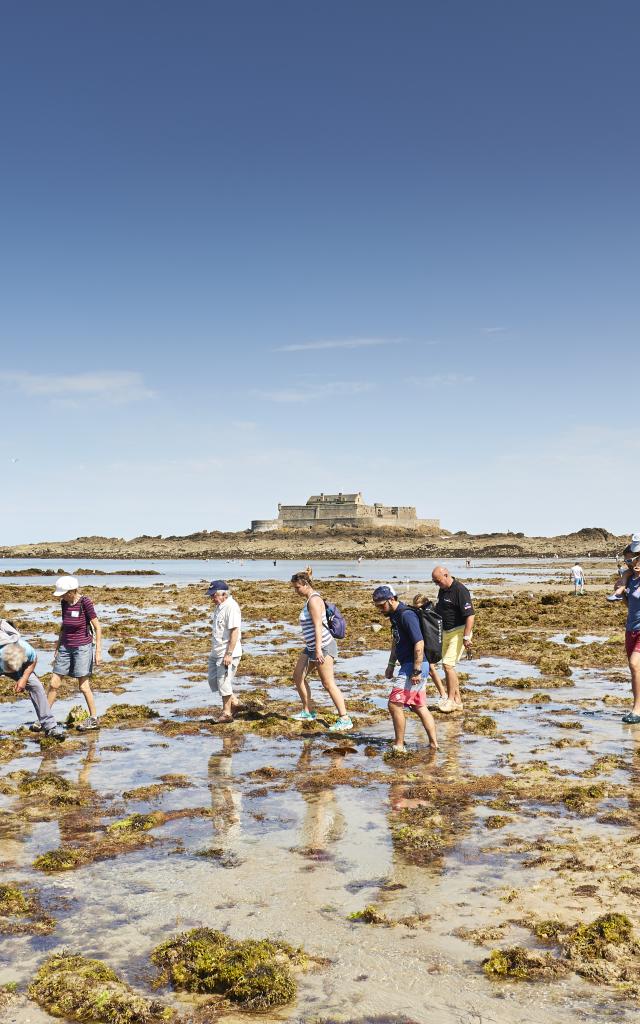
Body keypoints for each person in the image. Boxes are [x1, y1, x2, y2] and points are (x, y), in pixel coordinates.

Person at [372, 585, 438, 753]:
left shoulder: (407, 615)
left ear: (392, 599)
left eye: (381, 605)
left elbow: (419, 642)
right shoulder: (395, 616)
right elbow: (397, 641)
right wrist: (391, 664)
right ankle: (433, 744)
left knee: (394, 704)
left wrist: (416, 670)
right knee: (418, 706)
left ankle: (399, 744)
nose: (379, 609)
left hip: (413, 666)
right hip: (409, 665)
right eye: (376, 606)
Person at [290, 568, 352, 731]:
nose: (295, 591)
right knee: (298, 676)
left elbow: (318, 626)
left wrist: (318, 650)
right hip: (311, 647)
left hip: (323, 646)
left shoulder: (314, 601)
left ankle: (344, 718)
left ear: (305, 584)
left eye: (297, 587)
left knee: (328, 683)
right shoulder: (309, 598)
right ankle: (307, 711)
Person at [47, 576, 101, 731]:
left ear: (72, 591)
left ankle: (94, 719)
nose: (62, 596)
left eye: (64, 593)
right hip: (65, 646)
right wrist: (57, 646)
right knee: (53, 683)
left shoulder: (85, 602)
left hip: (82, 648)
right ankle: (44, 718)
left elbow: (98, 627)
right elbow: (64, 626)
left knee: (83, 686)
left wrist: (97, 651)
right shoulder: (64, 603)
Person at [0, 621, 65, 740]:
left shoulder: (23, 648)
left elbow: (33, 658)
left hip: (15, 660)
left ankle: (50, 727)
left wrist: (23, 678)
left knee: (36, 686)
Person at [431, 566, 475, 713]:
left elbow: (470, 615)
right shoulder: (442, 590)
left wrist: (466, 636)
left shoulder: (460, 590)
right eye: (435, 582)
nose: (437, 584)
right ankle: (458, 701)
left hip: (459, 631)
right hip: (446, 632)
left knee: (448, 665)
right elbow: (440, 609)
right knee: (447, 667)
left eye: (438, 581)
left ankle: (450, 701)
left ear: (446, 575)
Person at [207, 580, 243, 722]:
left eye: (213, 595)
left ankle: (227, 714)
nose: (212, 599)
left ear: (223, 594)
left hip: (227, 652)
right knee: (213, 681)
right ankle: (235, 703)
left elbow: (235, 631)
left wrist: (229, 654)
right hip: (216, 651)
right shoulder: (220, 606)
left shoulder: (231, 607)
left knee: (223, 682)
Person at [411, 593, 447, 700]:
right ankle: (421, 694)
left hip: (428, 645)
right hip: (422, 643)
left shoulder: (429, 614)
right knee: (429, 669)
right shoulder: (426, 613)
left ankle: (443, 694)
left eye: (419, 607)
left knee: (430, 669)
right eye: (415, 607)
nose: (418, 609)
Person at [621, 541, 640, 724]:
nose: (628, 564)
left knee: (635, 665)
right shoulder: (631, 579)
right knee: (635, 671)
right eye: (626, 561)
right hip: (630, 630)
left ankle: (637, 710)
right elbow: (630, 606)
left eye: (631, 560)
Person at [608, 535, 640, 601]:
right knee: (626, 573)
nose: (627, 563)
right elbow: (631, 606)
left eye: (629, 560)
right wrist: (622, 593)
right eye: (625, 561)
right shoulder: (629, 575)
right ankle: (620, 590)